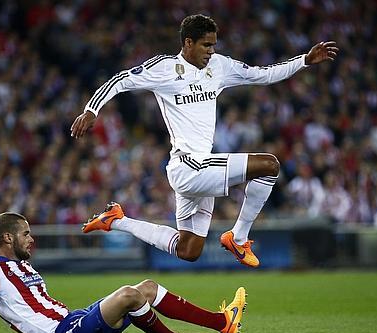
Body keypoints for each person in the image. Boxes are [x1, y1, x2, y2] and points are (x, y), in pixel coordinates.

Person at [71, 14, 338, 267]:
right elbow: (121, 80)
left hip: (201, 170)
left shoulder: (219, 66)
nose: (211, 51)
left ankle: (117, 220)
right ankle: (239, 238)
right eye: (206, 45)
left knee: (189, 250)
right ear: (188, 43)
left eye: (213, 45)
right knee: (269, 166)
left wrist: (304, 60)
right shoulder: (165, 68)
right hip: (188, 167)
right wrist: (92, 109)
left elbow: (262, 74)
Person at [0, 212, 246, 333]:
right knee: (128, 294)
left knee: (147, 287)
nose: (32, 238)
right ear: (6, 237)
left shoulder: (20, 267)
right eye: (25, 234)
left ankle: (223, 323)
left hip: (73, 322)